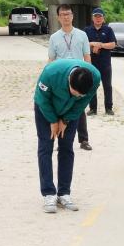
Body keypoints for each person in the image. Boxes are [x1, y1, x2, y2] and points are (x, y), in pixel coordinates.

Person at [34, 59, 101, 213]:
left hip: (71, 112)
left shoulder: (95, 77)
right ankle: (48, 193)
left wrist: (65, 120)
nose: (78, 95)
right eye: (74, 92)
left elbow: (81, 103)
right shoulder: (51, 73)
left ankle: (64, 193)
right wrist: (52, 120)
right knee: (46, 146)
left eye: (80, 94)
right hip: (46, 108)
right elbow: (42, 99)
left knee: (66, 148)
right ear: (68, 81)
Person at [48, 4, 93, 151]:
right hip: (61, 79)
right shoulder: (54, 37)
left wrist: (89, 74)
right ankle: (61, 139)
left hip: (79, 76)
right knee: (61, 108)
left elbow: (87, 56)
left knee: (79, 108)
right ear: (58, 17)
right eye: (63, 14)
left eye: (68, 14)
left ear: (73, 16)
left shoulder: (82, 35)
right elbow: (51, 60)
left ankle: (84, 139)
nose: (66, 17)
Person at [84, 7, 116, 116]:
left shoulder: (108, 30)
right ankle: (93, 108)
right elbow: (82, 44)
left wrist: (101, 45)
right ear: (92, 18)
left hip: (105, 63)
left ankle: (108, 108)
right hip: (91, 63)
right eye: (96, 16)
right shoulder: (87, 30)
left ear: (103, 19)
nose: (98, 19)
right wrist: (93, 43)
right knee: (92, 85)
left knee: (107, 86)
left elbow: (112, 44)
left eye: (100, 17)